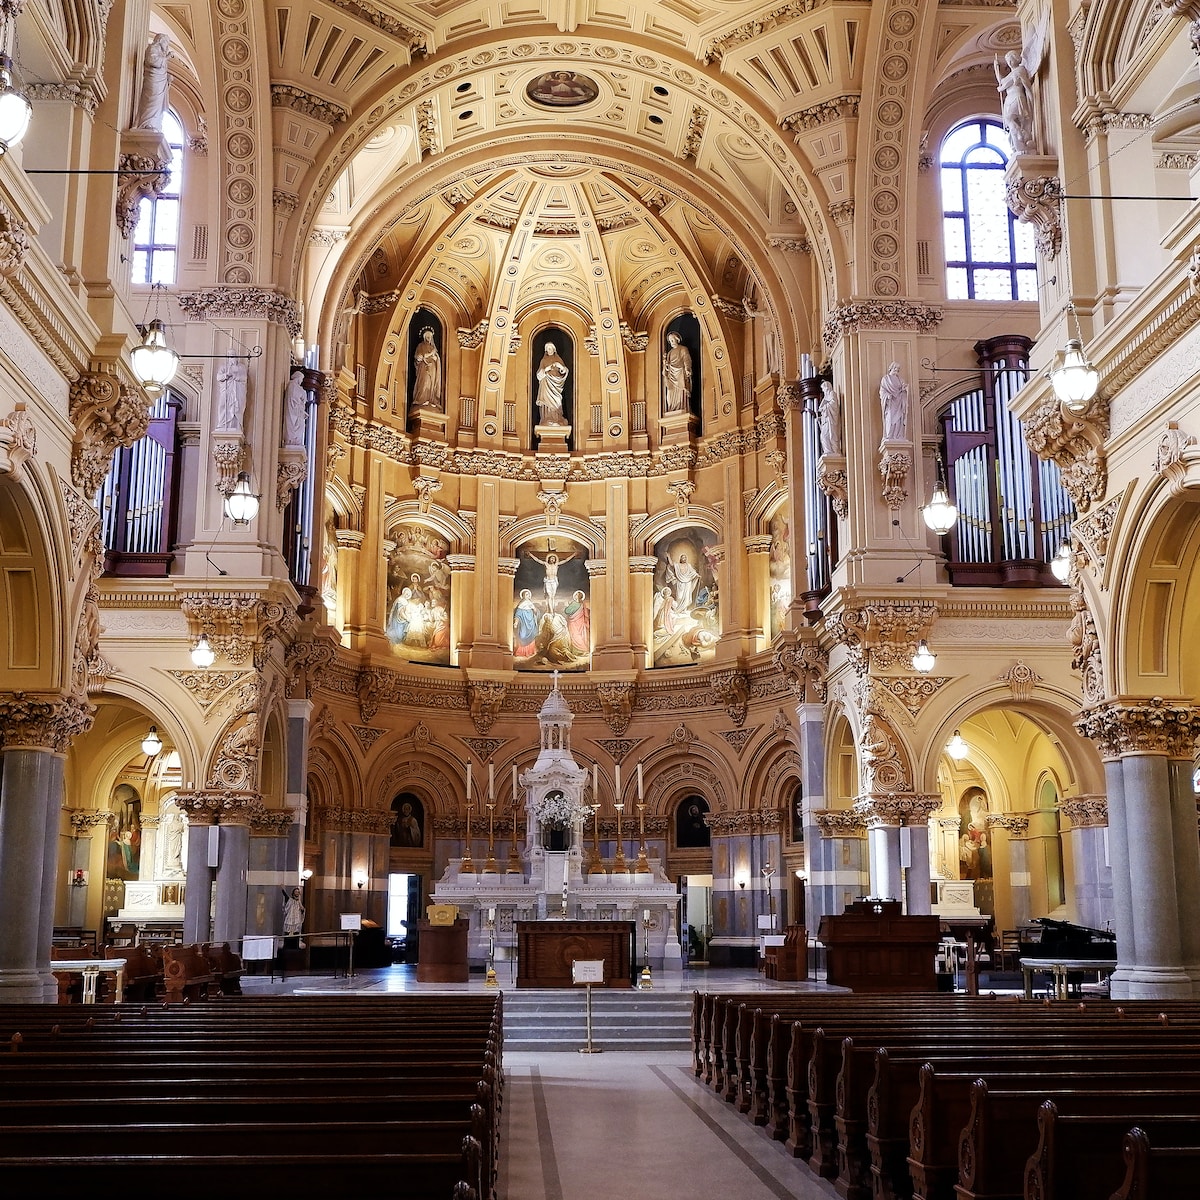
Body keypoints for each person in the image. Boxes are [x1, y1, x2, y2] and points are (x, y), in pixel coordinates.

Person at [995, 50, 1035, 154]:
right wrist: (996, 69)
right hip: (1009, 99)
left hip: (1017, 97)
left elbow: (1004, 84)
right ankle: (1020, 145)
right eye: (1008, 60)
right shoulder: (1011, 73)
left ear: (1016, 59)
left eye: (1011, 59)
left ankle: (1020, 134)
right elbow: (1002, 81)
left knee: (1009, 119)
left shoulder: (1020, 70)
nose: (1009, 62)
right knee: (1012, 122)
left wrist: (1000, 88)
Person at [134, 33, 171, 131]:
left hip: (160, 80)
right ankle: (146, 123)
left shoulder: (161, 53)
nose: (167, 45)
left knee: (157, 103)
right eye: (166, 42)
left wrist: (167, 77)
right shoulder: (152, 48)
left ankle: (153, 123)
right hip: (153, 79)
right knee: (151, 100)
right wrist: (167, 58)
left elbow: (161, 69)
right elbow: (152, 61)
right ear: (160, 41)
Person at [534, 341, 569, 426]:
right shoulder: (543, 360)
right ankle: (547, 419)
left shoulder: (558, 359)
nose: (549, 350)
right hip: (546, 384)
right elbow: (539, 374)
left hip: (556, 384)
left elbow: (565, 371)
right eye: (548, 349)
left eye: (550, 348)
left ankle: (557, 419)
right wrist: (546, 369)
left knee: (557, 401)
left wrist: (560, 366)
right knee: (547, 402)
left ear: (554, 349)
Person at [411, 327, 442, 410]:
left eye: (430, 336)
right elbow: (419, 356)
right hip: (424, 368)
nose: (428, 337)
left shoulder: (433, 348)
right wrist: (429, 354)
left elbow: (437, 359)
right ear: (424, 337)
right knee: (424, 382)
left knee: (432, 383)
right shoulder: (421, 346)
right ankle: (422, 399)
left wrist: (436, 359)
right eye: (427, 336)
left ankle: (431, 399)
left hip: (432, 369)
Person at [662, 331, 693, 414]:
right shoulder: (669, 353)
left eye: (672, 339)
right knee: (670, 392)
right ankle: (672, 408)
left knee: (681, 390)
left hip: (680, 373)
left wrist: (687, 368)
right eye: (670, 340)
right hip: (671, 375)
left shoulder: (683, 349)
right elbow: (667, 366)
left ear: (677, 339)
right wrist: (665, 364)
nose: (671, 342)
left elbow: (686, 359)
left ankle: (682, 406)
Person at [879, 362, 909, 442]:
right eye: (895, 368)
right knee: (890, 419)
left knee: (899, 420)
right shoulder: (885, 379)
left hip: (899, 402)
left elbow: (904, 388)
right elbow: (882, 391)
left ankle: (897, 436)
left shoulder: (900, 379)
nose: (897, 370)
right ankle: (890, 435)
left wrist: (905, 389)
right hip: (891, 403)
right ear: (891, 368)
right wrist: (887, 396)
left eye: (898, 369)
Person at [216, 358, 248, 433]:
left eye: (234, 356)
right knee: (223, 405)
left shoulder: (241, 367)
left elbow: (244, 378)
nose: (232, 358)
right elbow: (218, 377)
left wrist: (236, 377)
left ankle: (236, 425)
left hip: (237, 391)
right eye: (231, 356)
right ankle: (223, 424)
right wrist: (226, 375)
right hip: (227, 390)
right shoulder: (224, 366)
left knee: (237, 407)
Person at [665, 549, 700, 614]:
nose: (684, 559)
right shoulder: (677, 565)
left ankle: (684, 610)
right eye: (683, 557)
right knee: (680, 597)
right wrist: (669, 556)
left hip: (688, 582)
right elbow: (671, 564)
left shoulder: (688, 565)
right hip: (680, 582)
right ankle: (678, 609)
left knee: (687, 597)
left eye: (685, 558)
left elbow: (693, 572)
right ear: (680, 559)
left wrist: (696, 575)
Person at [282, 370, 307, 447]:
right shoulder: (292, 385)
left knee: (301, 426)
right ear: (298, 377)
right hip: (293, 410)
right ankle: (292, 440)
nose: (301, 381)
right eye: (301, 379)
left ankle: (296, 440)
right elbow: (294, 399)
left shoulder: (297, 387)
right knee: (294, 424)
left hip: (297, 411)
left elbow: (301, 401)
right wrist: (302, 393)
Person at [818, 380, 842, 455]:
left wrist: (824, 407)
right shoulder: (825, 397)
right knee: (823, 436)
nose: (823, 390)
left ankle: (833, 450)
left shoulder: (832, 393)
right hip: (825, 421)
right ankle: (828, 450)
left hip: (830, 420)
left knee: (829, 435)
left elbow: (834, 404)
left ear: (827, 387)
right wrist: (820, 418)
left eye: (823, 388)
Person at [513, 588, 538, 658]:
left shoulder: (531, 604)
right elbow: (517, 615)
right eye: (526, 594)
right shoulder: (521, 605)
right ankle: (521, 652)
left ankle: (530, 651)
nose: (528, 596)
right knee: (522, 636)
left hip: (531, 624)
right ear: (523, 596)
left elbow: (536, 613)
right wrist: (516, 622)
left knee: (532, 636)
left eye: (528, 595)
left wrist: (534, 609)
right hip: (524, 624)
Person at [564, 590, 591, 654]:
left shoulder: (574, 604)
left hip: (574, 623)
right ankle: (583, 649)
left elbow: (567, 611)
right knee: (580, 635)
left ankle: (580, 650)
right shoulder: (582, 605)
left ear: (578, 596)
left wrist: (569, 605)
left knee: (575, 635)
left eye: (576, 595)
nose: (575, 596)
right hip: (581, 623)